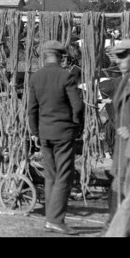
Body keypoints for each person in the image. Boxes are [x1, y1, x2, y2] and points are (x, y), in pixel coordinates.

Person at [28, 40, 84, 235]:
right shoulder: (66, 76)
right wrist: (76, 126)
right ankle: (55, 220)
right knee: (64, 177)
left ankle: (49, 218)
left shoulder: (36, 77)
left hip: (44, 134)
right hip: (63, 133)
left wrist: (35, 133)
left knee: (51, 176)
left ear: (45, 56)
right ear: (61, 57)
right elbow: (77, 106)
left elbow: (31, 110)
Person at [101, 39, 130, 230]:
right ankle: (111, 225)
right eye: (118, 57)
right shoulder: (124, 81)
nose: (119, 61)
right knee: (119, 191)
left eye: (124, 56)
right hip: (122, 151)